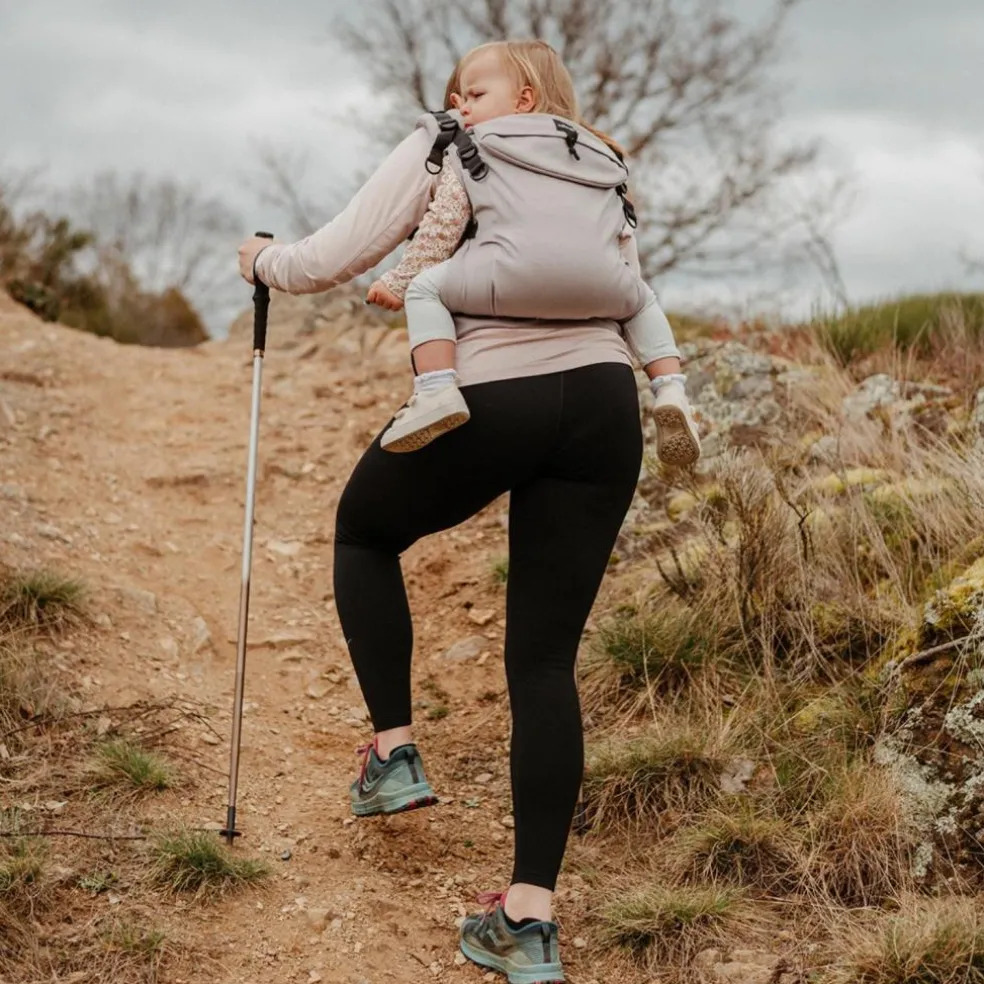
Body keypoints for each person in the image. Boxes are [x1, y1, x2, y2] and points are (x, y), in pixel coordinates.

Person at [238, 39, 695, 984]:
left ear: (513, 92)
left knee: (365, 531)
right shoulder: (597, 159)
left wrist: (262, 260)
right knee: (543, 660)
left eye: (469, 85)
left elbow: (332, 253)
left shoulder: (453, 140)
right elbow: (613, 284)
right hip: (607, 405)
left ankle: (394, 754)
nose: (456, 97)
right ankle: (528, 920)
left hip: (494, 394)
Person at [364, 41, 699, 464]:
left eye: (475, 96)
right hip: (597, 290)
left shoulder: (471, 150)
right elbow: (621, 239)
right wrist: (615, 291)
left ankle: (435, 391)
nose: (462, 108)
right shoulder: (600, 156)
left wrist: (397, 280)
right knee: (641, 299)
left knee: (425, 290)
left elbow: (439, 232)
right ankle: (671, 389)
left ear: (524, 99)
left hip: (506, 280)